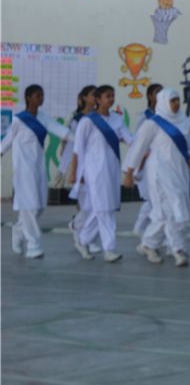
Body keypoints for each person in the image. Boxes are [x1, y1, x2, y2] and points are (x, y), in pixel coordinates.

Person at [123, 89, 190, 267]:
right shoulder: (152, 124)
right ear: (164, 101)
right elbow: (138, 149)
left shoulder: (183, 120)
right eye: (173, 100)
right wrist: (129, 174)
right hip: (159, 173)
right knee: (173, 211)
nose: (177, 104)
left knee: (165, 214)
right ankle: (179, 250)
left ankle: (148, 244)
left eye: (178, 100)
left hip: (180, 173)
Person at [0, 84, 72, 259]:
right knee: (28, 206)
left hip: (39, 168)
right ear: (28, 98)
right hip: (23, 170)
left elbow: (62, 131)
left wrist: (82, 138)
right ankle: (33, 245)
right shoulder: (18, 120)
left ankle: (17, 233)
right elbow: (5, 143)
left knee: (39, 206)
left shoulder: (44, 117)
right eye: (38, 95)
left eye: (42, 95)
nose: (41, 98)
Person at [68, 85, 134, 263]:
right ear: (98, 99)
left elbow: (130, 139)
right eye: (107, 96)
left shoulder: (117, 119)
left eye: (112, 96)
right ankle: (109, 249)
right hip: (94, 171)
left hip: (112, 170)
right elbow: (77, 149)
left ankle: (83, 240)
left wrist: (146, 147)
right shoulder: (87, 121)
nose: (111, 99)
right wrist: (75, 173)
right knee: (104, 210)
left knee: (103, 208)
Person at [130, 82, 163, 238]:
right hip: (147, 161)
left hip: (161, 161)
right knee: (152, 199)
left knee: (157, 199)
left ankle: (146, 230)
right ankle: (140, 227)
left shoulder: (165, 115)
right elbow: (139, 141)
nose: (160, 96)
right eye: (157, 93)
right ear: (149, 96)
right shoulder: (144, 116)